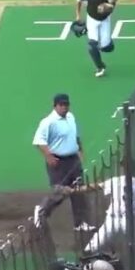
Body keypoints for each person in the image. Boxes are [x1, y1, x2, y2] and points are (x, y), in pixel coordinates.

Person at [65, 158, 135, 253]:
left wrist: (74, 190)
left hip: (111, 222)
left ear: (124, 170)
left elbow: (95, 186)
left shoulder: (116, 181)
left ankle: (86, 264)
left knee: (91, 247)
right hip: (128, 222)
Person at [33, 93, 92, 229]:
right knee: (60, 192)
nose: (64, 108)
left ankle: (80, 222)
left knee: (78, 190)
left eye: (66, 105)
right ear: (55, 106)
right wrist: (48, 156)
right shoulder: (48, 122)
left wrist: (80, 150)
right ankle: (42, 210)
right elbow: (39, 141)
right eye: (61, 105)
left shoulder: (71, 117)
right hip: (58, 163)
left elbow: (75, 136)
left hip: (73, 160)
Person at [75, 0, 122, 78]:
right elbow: (79, 1)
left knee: (107, 48)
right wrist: (78, 16)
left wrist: (110, 4)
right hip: (92, 18)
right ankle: (100, 67)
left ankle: (105, 44)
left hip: (105, 19)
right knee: (92, 46)